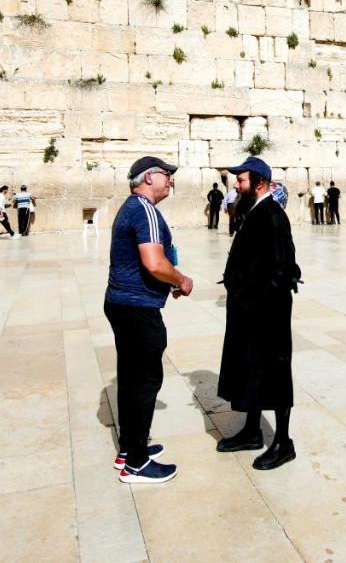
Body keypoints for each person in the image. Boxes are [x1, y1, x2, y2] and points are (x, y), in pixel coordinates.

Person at [107, 156, 195, 484]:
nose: (170, 180)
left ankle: (129, 449)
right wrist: (180, 280)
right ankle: (138, 464)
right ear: (148, 177)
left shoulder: (131, 207)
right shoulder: (145, 210)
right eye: (166, 175)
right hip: (137, 308)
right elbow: (154, 263)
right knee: (145, 380)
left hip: (122, 303)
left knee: (130, 377)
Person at [216, 156, 301, 471]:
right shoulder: (253, 211)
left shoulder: (273, 216)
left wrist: (257, 302)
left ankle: (284, 442)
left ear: (260, 183)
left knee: (275, 373)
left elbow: (283, 269)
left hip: (267, 315)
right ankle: (252, 431)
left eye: (241, 180)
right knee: (250, 367)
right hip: (248, 312)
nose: (236, 185)